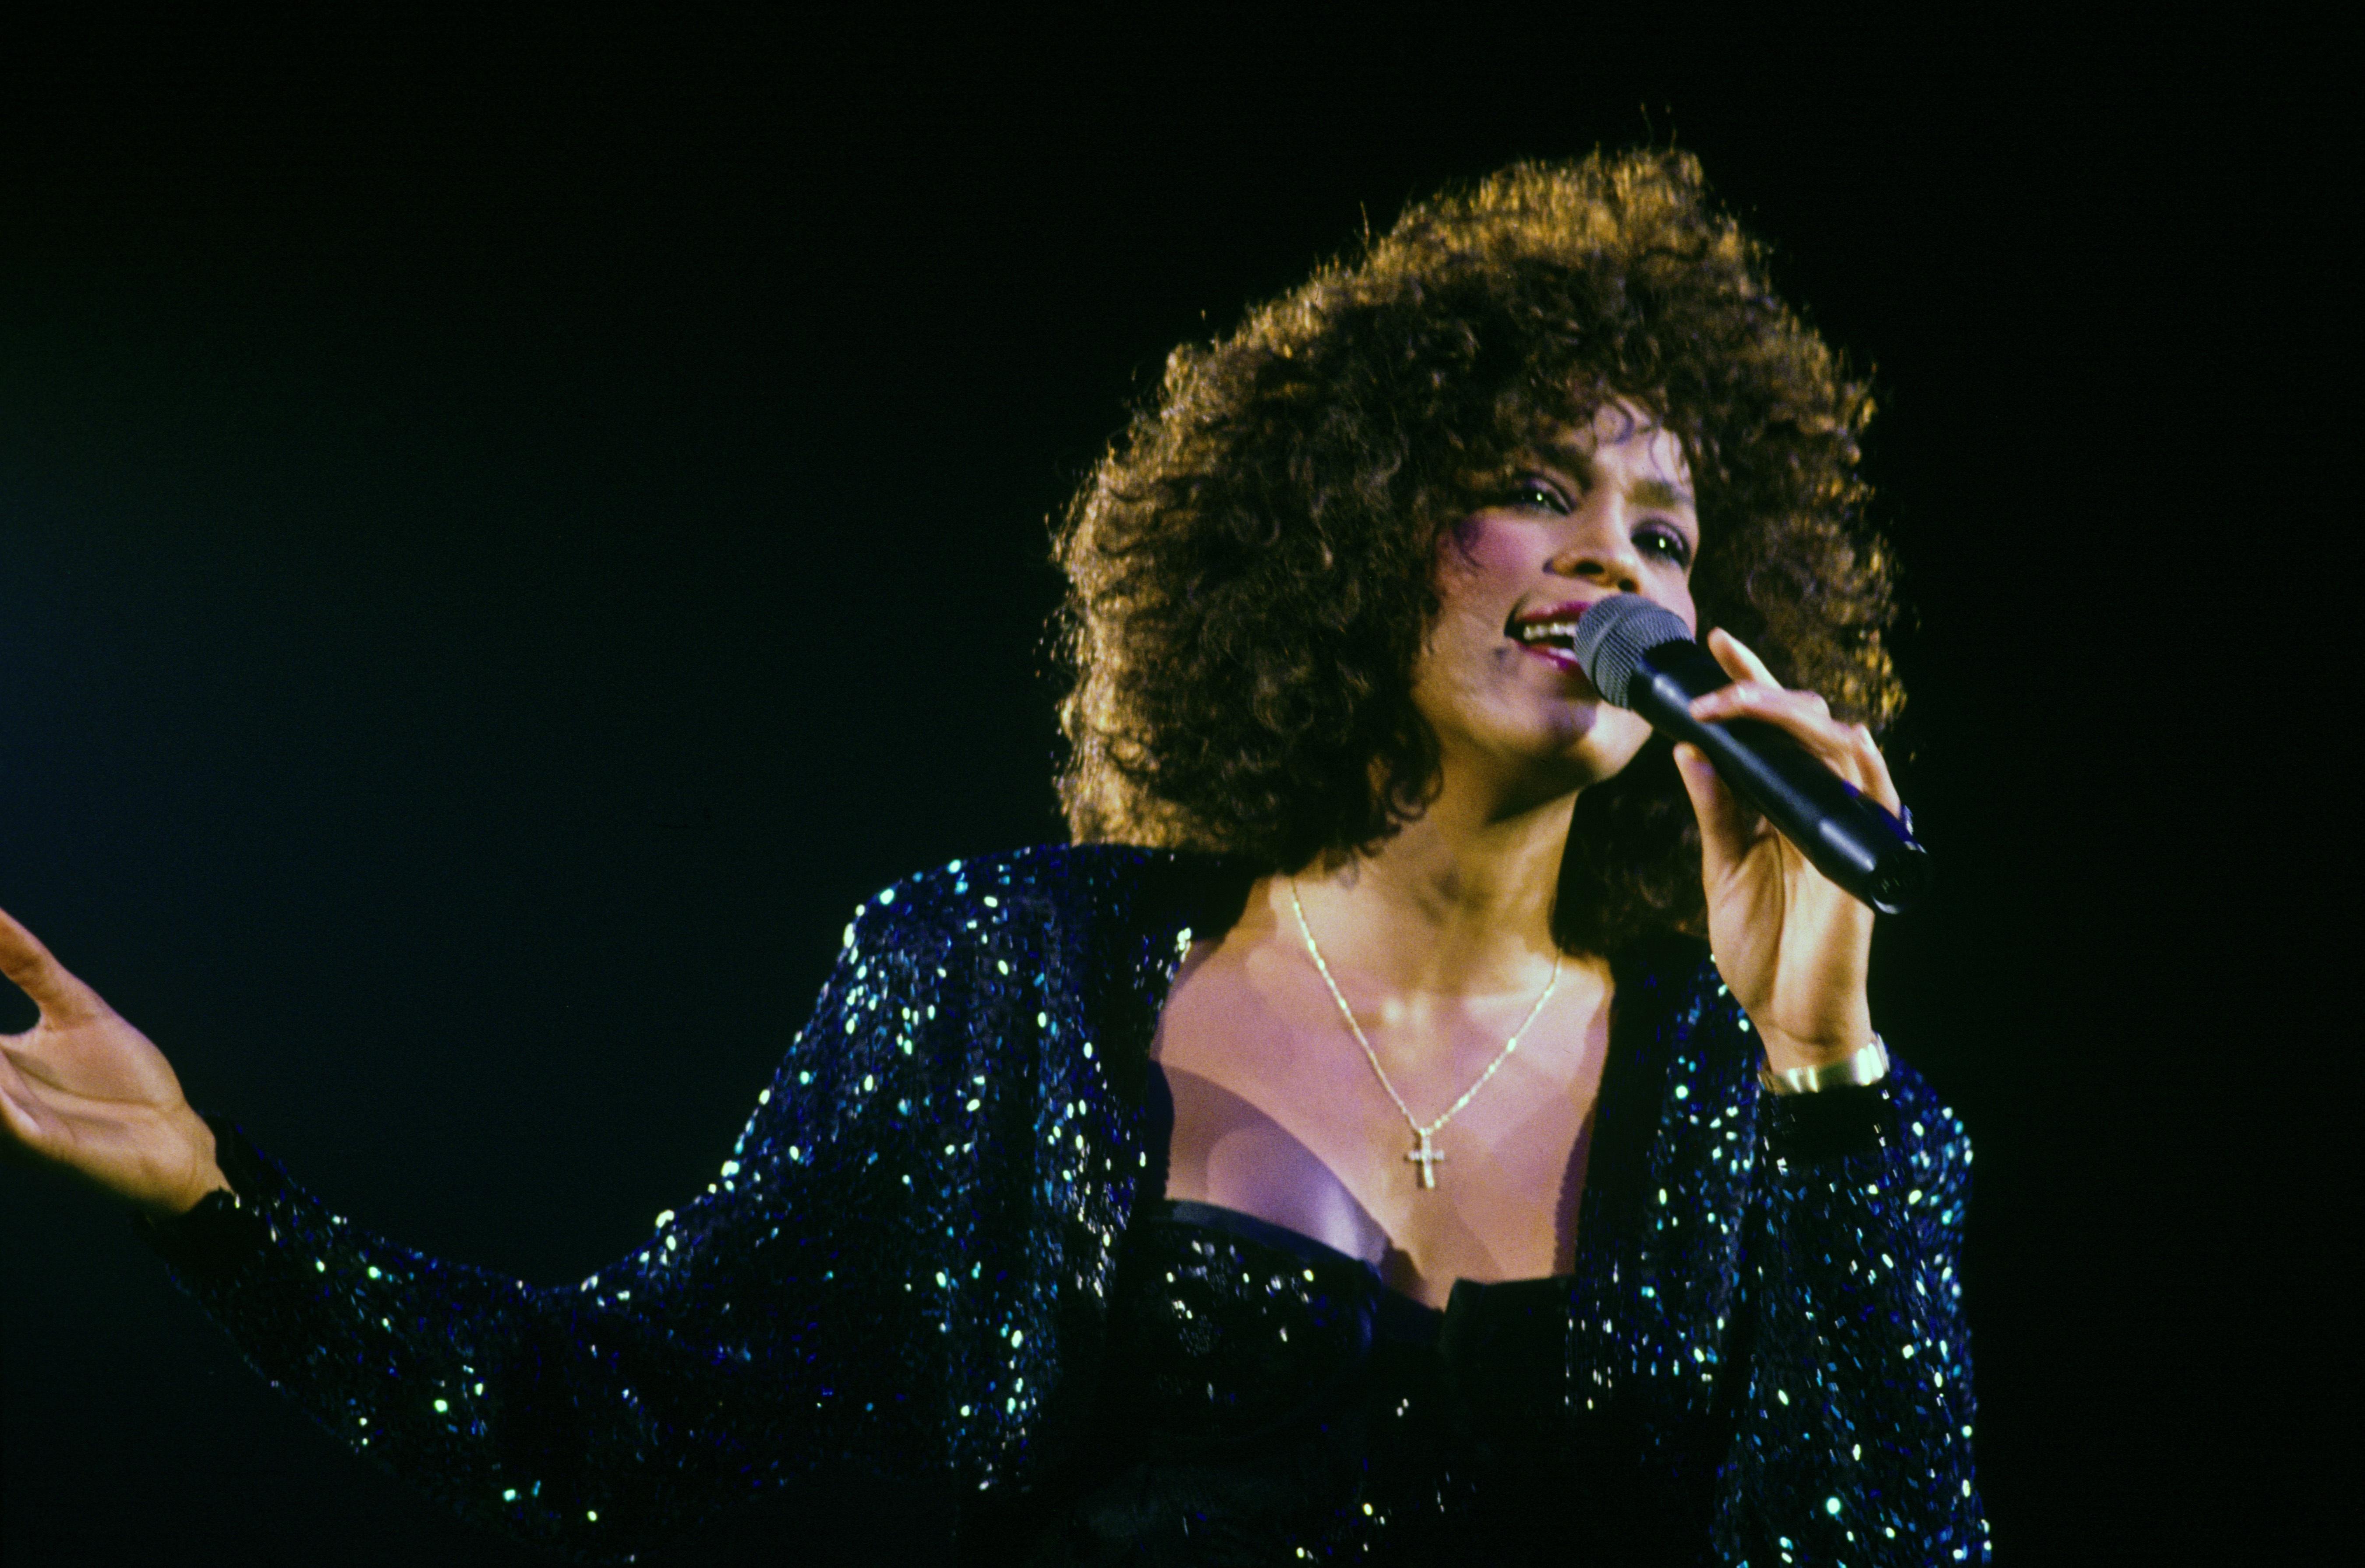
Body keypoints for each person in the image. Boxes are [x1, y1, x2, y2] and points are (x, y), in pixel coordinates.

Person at [0, 152, 1986, 1564]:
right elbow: (624, 1407)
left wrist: (1825, 1067)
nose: (1612, 559)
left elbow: (1883, 1539)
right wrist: (218, 1205)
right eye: (1536, 488)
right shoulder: (1002, 975)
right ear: (1362, 525)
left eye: (1664, 534)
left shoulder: (1758, 1101)